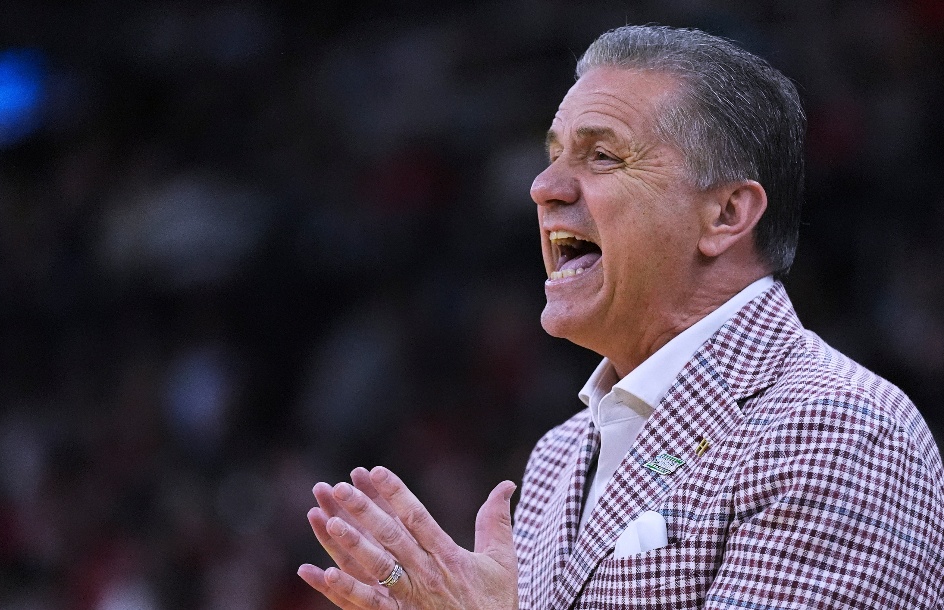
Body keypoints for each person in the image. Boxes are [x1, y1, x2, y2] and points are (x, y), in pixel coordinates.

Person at [297, 25, 944, 609]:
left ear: (725, 215)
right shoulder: (559, 454)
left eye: (601, 155)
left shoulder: (841, 430)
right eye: (552, 154)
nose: (543, 186)